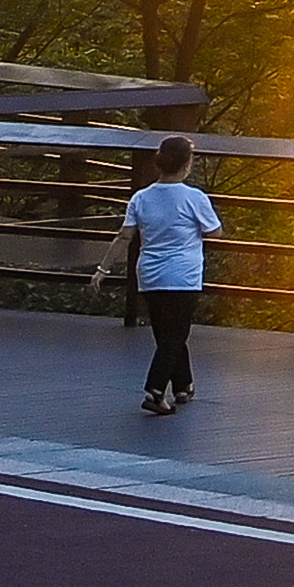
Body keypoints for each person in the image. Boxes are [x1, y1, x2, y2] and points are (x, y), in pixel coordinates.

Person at [92, 134, 222, 416]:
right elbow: (214, 231)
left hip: (150, 274)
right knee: (175, 335)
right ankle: (155, 390)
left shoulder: (141, 197)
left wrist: (103, 267)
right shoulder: (194, 198)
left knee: (167, 334)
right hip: (183, 275)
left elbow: (125, 236)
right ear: (187, 165)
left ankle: (184, 386)